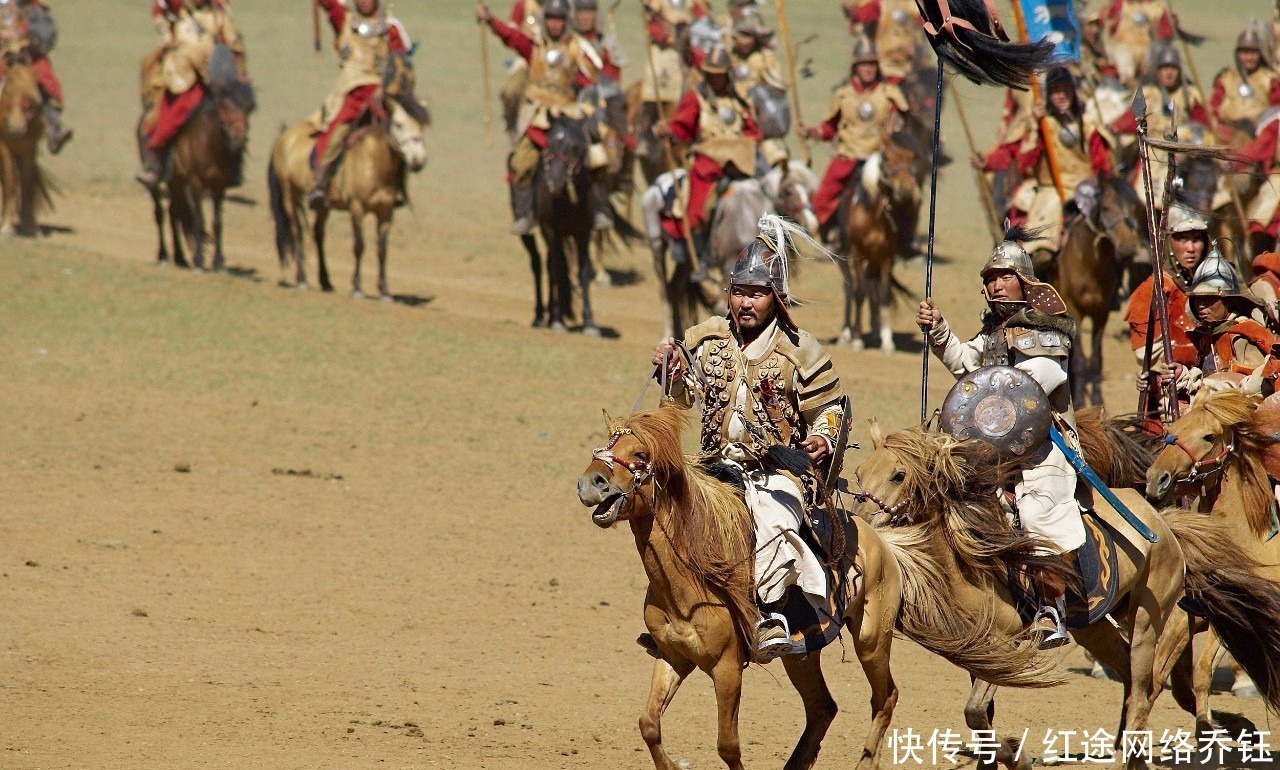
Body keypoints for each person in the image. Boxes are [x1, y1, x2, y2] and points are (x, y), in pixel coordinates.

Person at [653, 217, 846, 661]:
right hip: (713, 466)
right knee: (663, 508)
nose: (744, 303)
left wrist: (821, 440)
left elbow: (832, 410)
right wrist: (671, 369)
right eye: (738, 291)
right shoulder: (705, 337)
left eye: (756, 294)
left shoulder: (802, 350)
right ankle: (673, 612)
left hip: (775, 471)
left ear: (776, 299)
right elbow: (682, 398)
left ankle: (772, 613)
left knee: (774, 517)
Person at [916, 227, 1082, 650]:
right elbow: (966, 366)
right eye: (989, 278)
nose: (994, 285)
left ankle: (1051, 610)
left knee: (1038, 513)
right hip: (992, 450)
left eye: (1003, 276)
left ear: (1024, 282)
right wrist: (939, 330)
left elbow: (1033, 387)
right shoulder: (992, 332)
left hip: (1043, 447)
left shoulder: (1045, 330)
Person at [478, 0, 603, 234]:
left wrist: (589, 102)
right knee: (520, 161)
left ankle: (598, 210)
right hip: (538, 117)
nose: (555, 25)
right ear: (545, 21)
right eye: (551, 19)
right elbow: (512, 37)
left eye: (560, 20)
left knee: (598, 157)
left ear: (566, 22)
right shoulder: (534, 46)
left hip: (568, 115)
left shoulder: (576, 48)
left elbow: (589, 79)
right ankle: (525, 214)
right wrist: (491, 21)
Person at [656, 44, 761, 279]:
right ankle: (702, 257)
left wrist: (749, 145)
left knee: (770, 193)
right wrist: (670, 132)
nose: (716, 79)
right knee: (698, 208)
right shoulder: (696, 98)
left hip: (738, 164)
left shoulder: (739, 100)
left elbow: (752, 130)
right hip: (707, 164)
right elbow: (682, 127)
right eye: (712, 74)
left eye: (720, 74)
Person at [801, 36, 907, 249]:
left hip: (879, 158)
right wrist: (812, 131)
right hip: (849, 155)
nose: (868, 69)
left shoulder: (889, 95)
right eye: (863, 65)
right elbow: (829, 129)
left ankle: (906, 240)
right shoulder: (843, 95)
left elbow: (902, 126)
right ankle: (828, 235)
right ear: (855, 68)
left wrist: (898, 128)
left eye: (871, 64)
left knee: (906, 195)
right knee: (822, 198)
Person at [308, 0, 410, 210]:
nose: (364, 2)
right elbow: (327, 4)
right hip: (351, 92)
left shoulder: (390, 28)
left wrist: (388, 86)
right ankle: (320, 181)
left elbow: (401, 60)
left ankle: (397, 185)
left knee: (402, 134)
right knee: (336, 132)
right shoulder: (344, 20)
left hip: (381, 94)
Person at [1012, 67, 1113, 278]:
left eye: (1065, 90)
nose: (1061, 95)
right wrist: (1036, 126)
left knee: (1116, 235)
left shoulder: (1087, 124)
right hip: (1052, 191)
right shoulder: (1044, 125)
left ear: (1073, 92)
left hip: (1086, 188)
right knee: (1040, 253)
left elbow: (1101, 163)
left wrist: (1100, 187)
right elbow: (1025, 163)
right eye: (1056, 90)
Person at [1140, 249, 1280, 400]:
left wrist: (1211, 387)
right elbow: (1206, 377)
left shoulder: (1245, 335)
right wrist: (1181, 376)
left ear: (1227, 301)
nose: (1201, 305)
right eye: (1198, 299)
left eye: (1208, 299)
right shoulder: (1208, 337)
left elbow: (1255, 389)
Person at [139, 0, 245, 190]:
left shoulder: (218, 16)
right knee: (168, 116)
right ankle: (156, 163)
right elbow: (161, 14)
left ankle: (233, 167)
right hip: (182, 77)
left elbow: (233, 47)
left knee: (235, 118)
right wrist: (165, 35)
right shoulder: (178, 14)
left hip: (213, 78)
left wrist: (235, 71)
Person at [1108, 44, 1205, 212]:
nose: (1169, 73)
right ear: (1157, 71)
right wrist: (1114, 127)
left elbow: (1203, 123)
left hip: (1183, 155)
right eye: (1165, 68)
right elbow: (1131, 119)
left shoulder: (1189, 95)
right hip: (1152, 153)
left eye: (1173, 68)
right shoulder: (1147, 94)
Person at [1124, 204, 1207, 370]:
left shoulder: (1213, 280)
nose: (1191, 248)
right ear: (1169, 242)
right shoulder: (1154, 288)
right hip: (1172, 384)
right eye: (1183, 240)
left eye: (1196, 239)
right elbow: (1146, 354)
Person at [0, 0, 71, 153]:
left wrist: (25, 34)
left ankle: (54, 128)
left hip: (27, 58)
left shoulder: (32, 8)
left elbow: (46, 35)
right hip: (2, 57)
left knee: (43, 78)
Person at [728, 10, 788, 167]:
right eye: (740, 36)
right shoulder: (729, 58)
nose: (743, 41)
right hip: (732, 119)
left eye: (748, 36)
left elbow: (776, 92)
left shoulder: (765, 60)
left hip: (760, 120)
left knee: (775, 157)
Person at [1211, 22, 1280, 143]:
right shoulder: (1226, 78)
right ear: (1237, 54)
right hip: (1226, 135)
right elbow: (1213, 110)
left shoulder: (1270, 80)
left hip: (1258, 137)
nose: (1249, 58)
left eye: (1253, 53)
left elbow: (1275, 114)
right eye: (1245, 52)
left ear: (1260, 54)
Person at [841, 0, 926, 85]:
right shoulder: (879, 4)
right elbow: (859, 18)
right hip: (883, 65)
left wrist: (916, 47)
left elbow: (922, 27)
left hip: (907, 67)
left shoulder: (913, 5)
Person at [1101, 0, 1174, 85]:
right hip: (1122, 52)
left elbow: (1165, 38)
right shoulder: (1119, 4)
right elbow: (1103, 28)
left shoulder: (1158, 8)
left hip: (1148, 53)